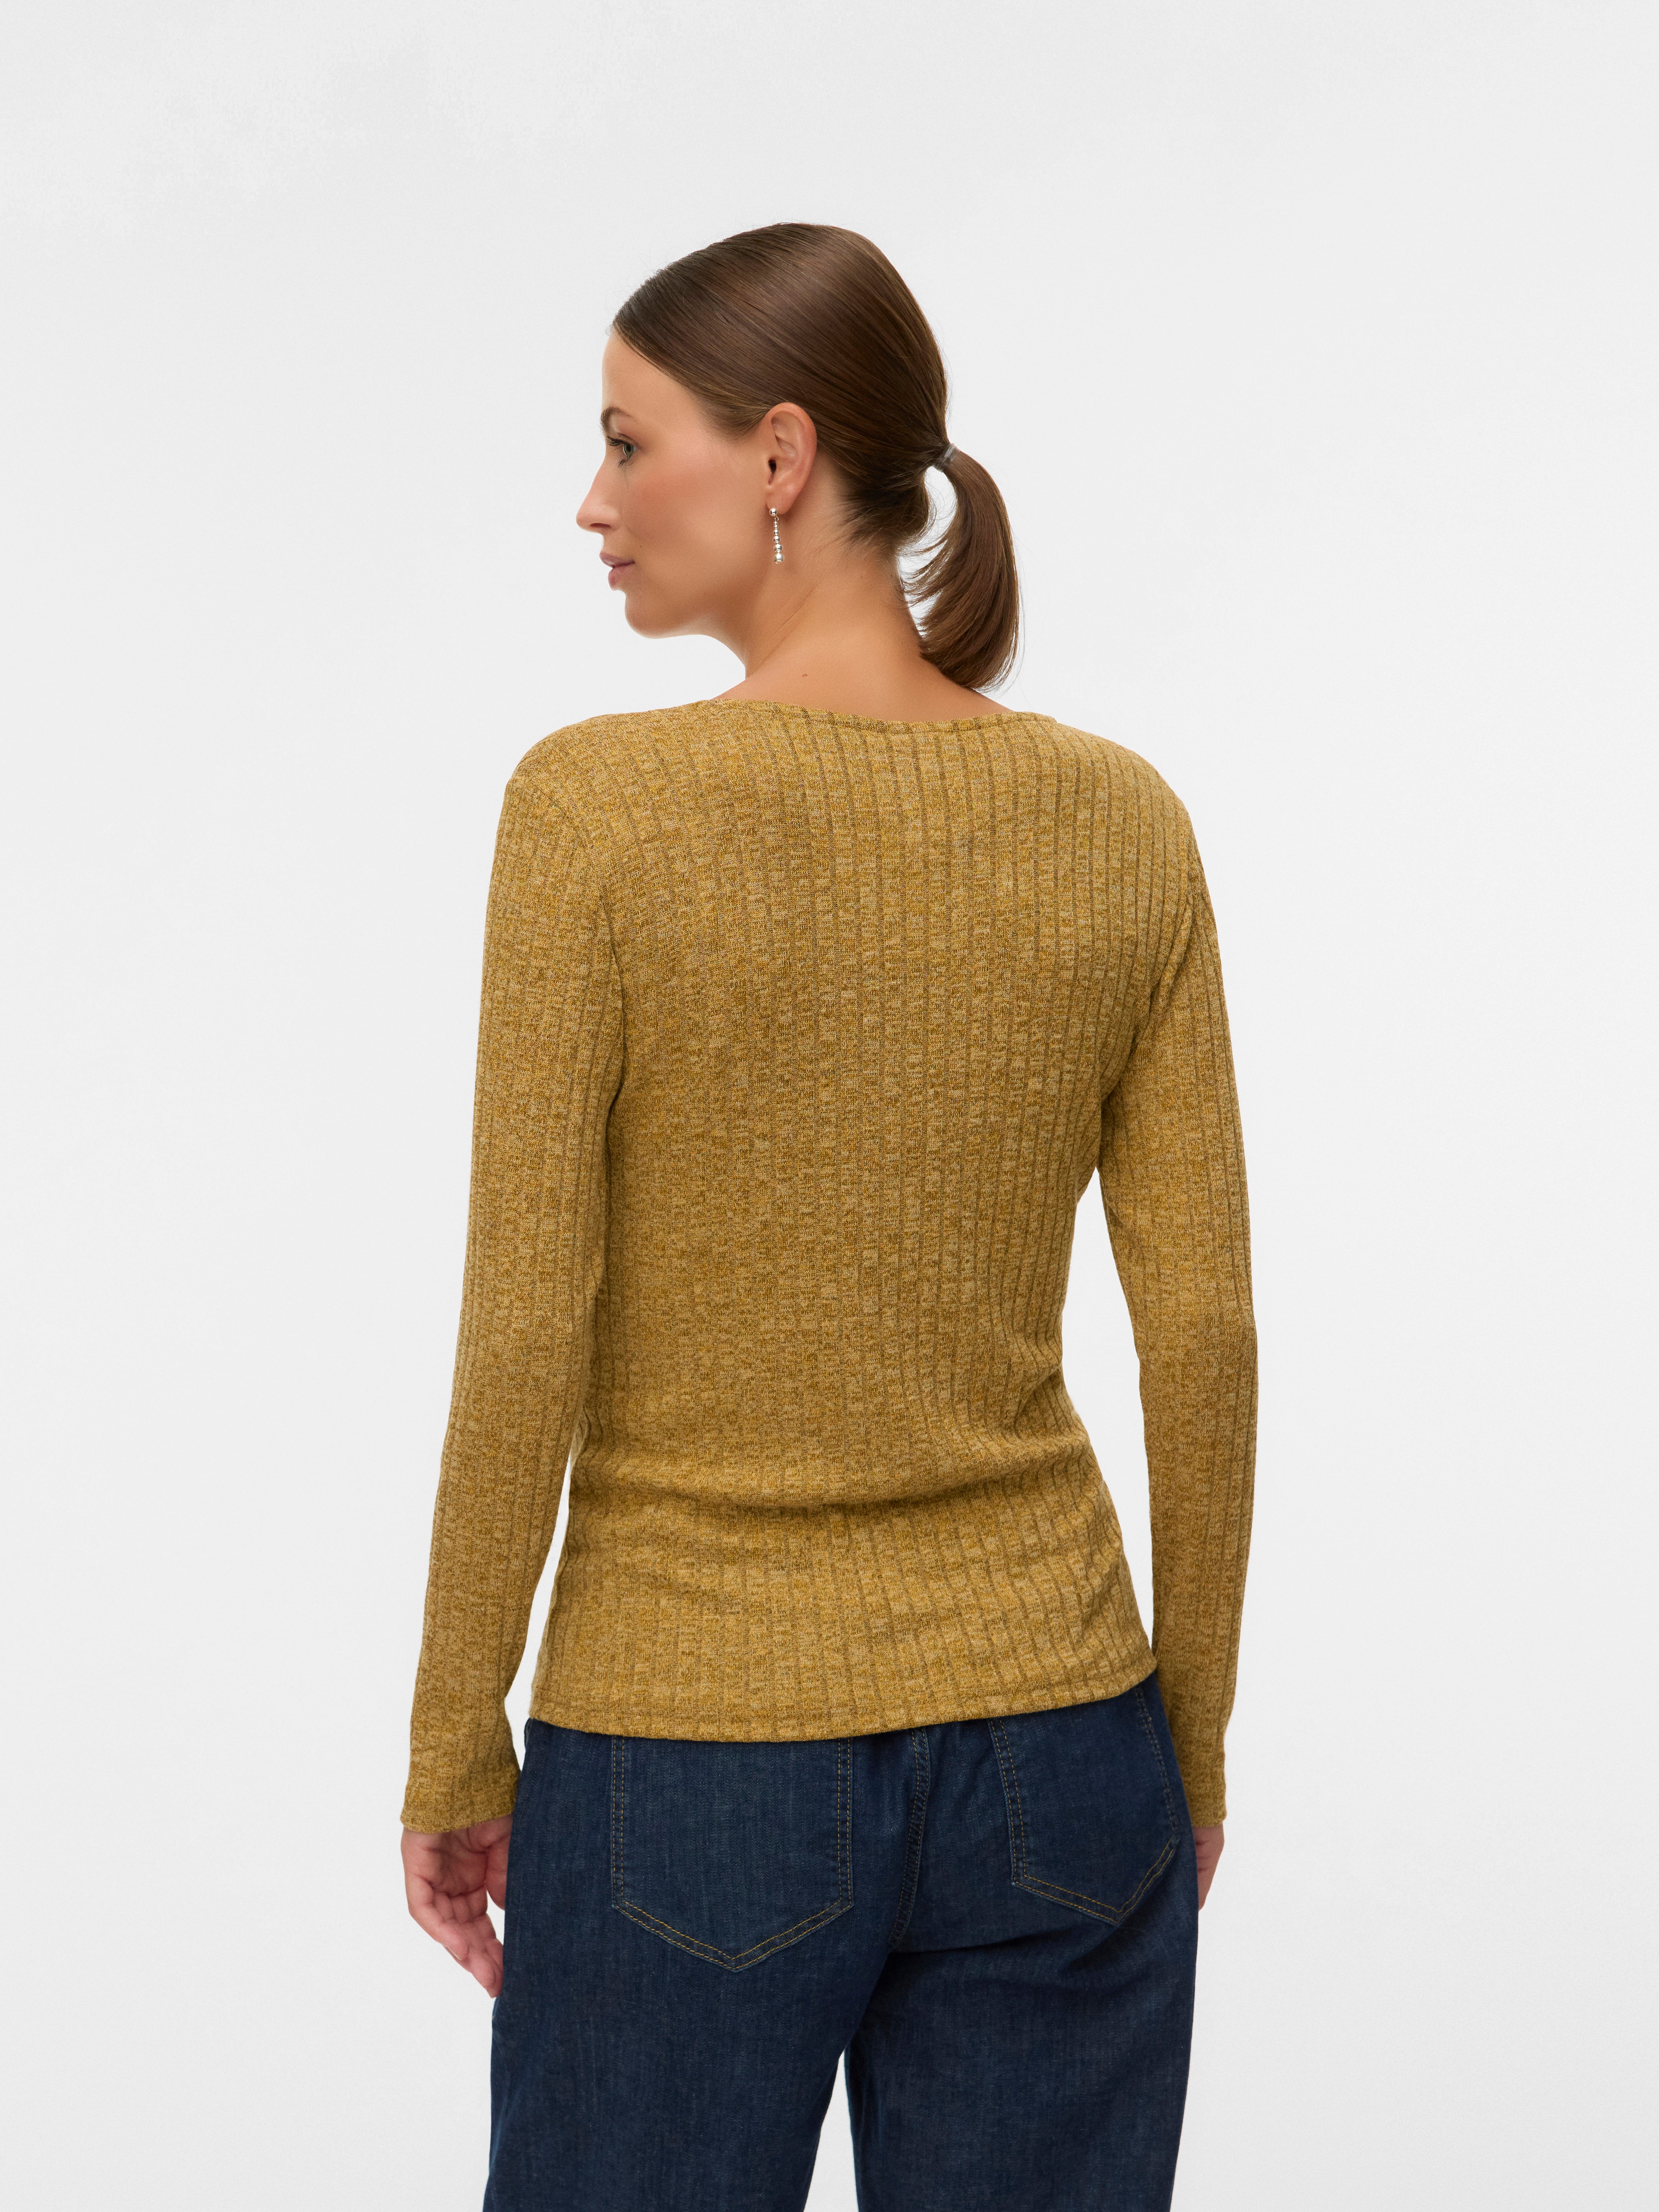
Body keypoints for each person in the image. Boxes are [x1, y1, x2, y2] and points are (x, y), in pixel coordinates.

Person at [399, 222, 1257, 2212]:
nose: (594, 501)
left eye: (631, 443)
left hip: (687, 1752)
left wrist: (453, 1746)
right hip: (1064, 1751)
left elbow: (525, 1320)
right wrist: (1185, 1748)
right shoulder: (1118, 820)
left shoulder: (596, 812)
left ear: (779, 456)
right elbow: (1203, 1331)